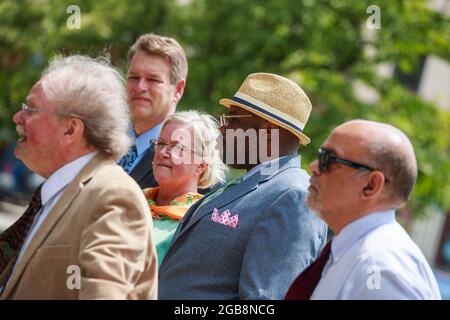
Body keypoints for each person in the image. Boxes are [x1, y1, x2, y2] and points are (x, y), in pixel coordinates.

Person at [0, 55, 157, 299]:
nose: (18, 118)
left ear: (70, 129)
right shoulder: (57, 192)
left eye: (30, 109)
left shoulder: (113, 196)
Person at [159, 72, 327, 299]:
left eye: (234, 120)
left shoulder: (294, 197)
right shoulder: (244, 184)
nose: (222, 129)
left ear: (268, 130)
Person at [285, 120, 441, 300]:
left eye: (328, 159)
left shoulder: (381, 269)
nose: (314, 166)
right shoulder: (354, 253)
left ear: (371, 185)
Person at [143, 111, 226, 266]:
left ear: (201, 165)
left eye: (178, 147)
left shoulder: (200, 220)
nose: (162, 153)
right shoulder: (131, 199)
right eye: (161, 143)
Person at [118, 33, 188, 189]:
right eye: (134, 77)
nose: (140, 87)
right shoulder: (99, 141)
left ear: (178, 89)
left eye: (153, 80)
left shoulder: (191, 158)